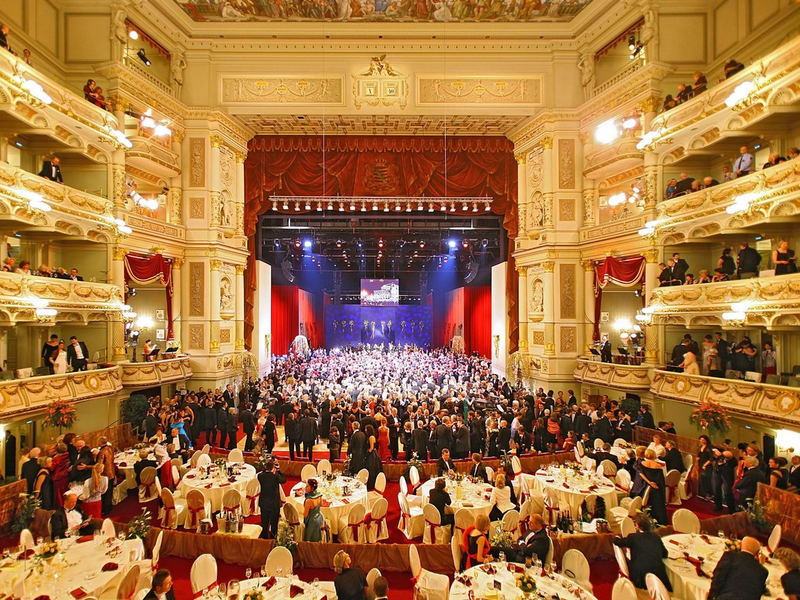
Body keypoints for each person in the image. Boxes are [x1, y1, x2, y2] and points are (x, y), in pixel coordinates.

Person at [613, 513, 671, 591]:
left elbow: (617, 542)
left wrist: (615, 537)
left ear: (637, 525)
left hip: (640, 578)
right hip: (659, 578)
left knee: (628, 561)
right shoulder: (656, 537)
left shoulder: (633, 538)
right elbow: (665, 554)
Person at [258, 459, 286, 539]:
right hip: (274, 504)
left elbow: (263, 472)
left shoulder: (260, 476)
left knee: (264, 523)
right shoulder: (275, 476)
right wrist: (278, 470)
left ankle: (264, 539)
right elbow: (284, 480)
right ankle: (273, 539)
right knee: (274, 524)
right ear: (273, 467)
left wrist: (267, 468)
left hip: (264, 503)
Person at [639, 449, 667, 525]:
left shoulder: (642, 463)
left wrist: (649, 483)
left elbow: (641, 474)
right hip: (656, 489)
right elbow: (661, 480)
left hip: (645, 487)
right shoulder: (658, 466)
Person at [303, 478, 324, 542]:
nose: (305, 488)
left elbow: (305, 515)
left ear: (312, 488)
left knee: (310, 540)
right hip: (318, 518)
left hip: (312, 521)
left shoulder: (309, 500)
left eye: (307, 486)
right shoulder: (319, 495)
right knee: (317, 538)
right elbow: (321, 504)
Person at [364, 424, 383, 489]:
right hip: (373, 454)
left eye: (366, 429)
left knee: (371, 468)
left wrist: (367, 454)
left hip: (372, 455)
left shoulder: (371, 437)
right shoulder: (371, 437)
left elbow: (371, 447)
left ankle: (372, 483)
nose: (365, 430)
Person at [698, 435, 714, 501]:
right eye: (701, 440)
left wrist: (705, 465)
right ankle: (704, 494)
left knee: (708, 480)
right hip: (701, 465)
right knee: (703, 480)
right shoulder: (700, 447)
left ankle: (709, 494)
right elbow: (699, 455)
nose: (702, 441)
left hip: (707, 466)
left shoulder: (709, 447)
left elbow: (711, 458)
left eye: (703, 440)